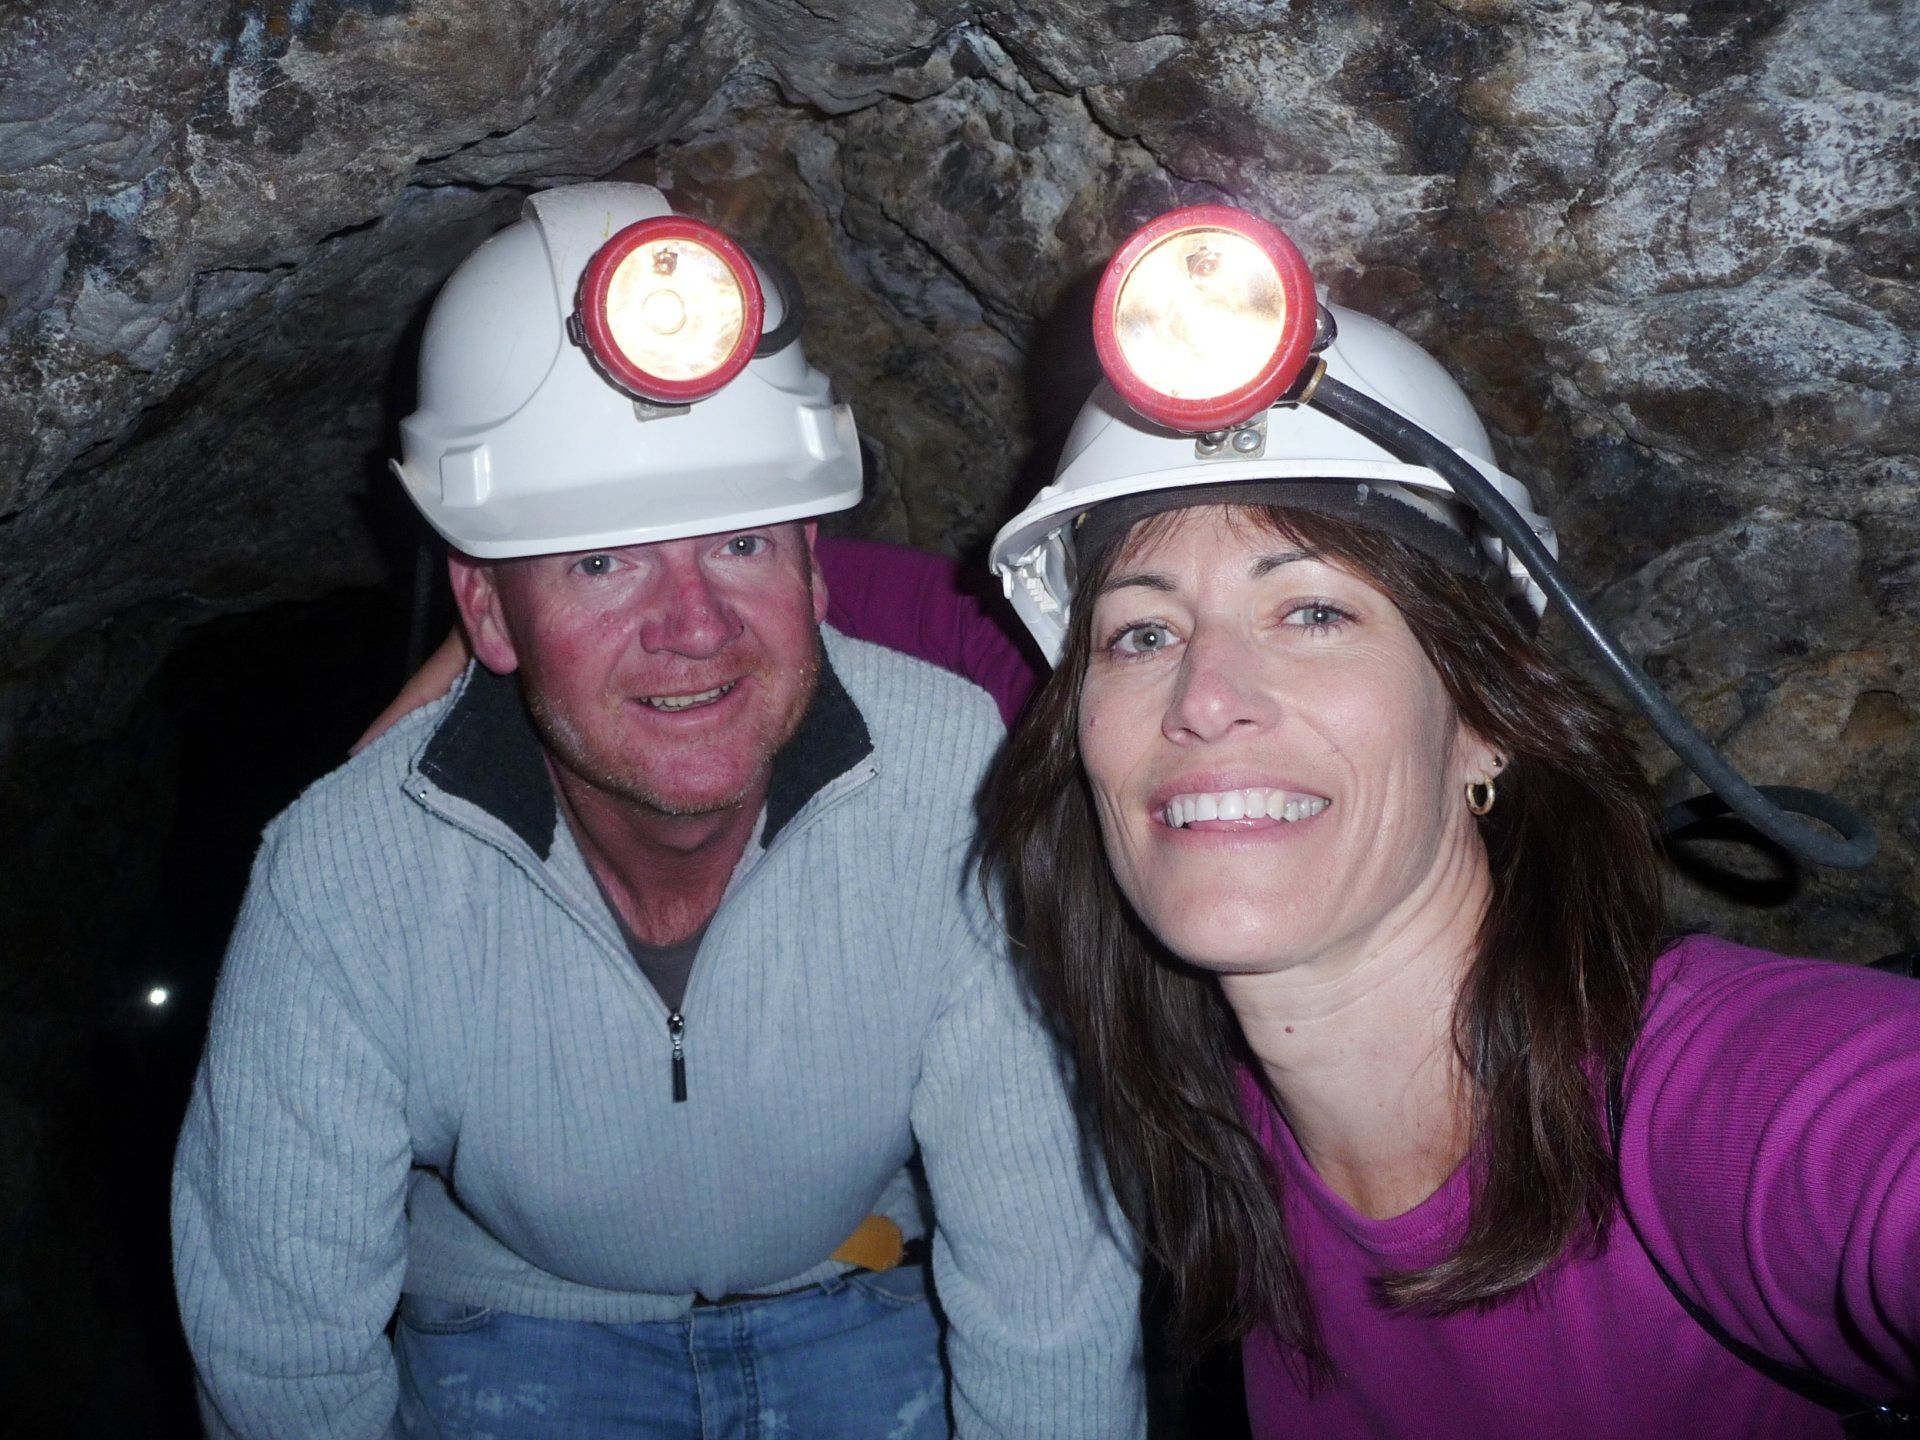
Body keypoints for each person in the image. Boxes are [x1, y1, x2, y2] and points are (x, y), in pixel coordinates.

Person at [171, 182, 1143, 1440]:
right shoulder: (347, 880)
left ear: (813, 564)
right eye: (599, 560)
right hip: (516, 1334)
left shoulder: (953, 783)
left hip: (852, 1298)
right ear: (485, 615)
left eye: (739, 543)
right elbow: (282, 1348)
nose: (691, 627)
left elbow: (1048, 1274)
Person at [983, 273, 1920, 1434]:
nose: (1204, 699)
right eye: (1142, 632)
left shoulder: (1706, 1098)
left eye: (1314, 613)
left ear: (1480, 721)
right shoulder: (1223, 1140)